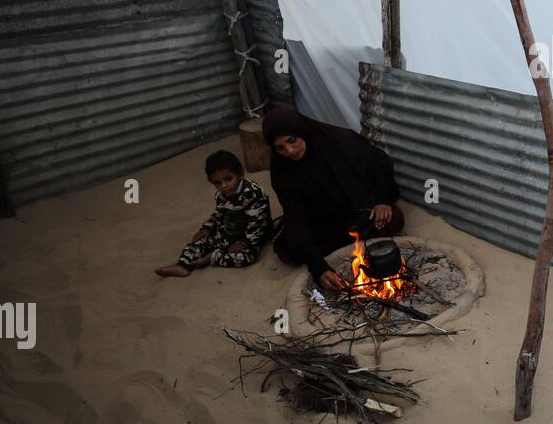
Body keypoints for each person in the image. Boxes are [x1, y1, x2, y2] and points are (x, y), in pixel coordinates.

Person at [261, 106, 405, 291]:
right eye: (279, 148)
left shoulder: (341, 141)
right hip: (323, 221)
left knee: (392, 219)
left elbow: (380, 163)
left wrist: (382, 200)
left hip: (359, 209)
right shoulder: (282, 170)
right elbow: (296, 217)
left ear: (301, 131)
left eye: (292, 140)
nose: (289, 151)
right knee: (292, 248)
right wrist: (318, 268)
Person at [155, 150, 273, 277]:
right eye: (217, 183)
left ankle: (212, 258)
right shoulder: (221, 195)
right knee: (200, 240)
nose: (224, 185)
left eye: (228, 179)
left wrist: (245, 242)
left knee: (246, 257)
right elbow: (218, 213)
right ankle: (182, 265)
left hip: (253, 235)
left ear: (240, 174)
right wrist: (207, 228)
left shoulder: (252, 192)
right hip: (229, 231)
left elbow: (259, 222)